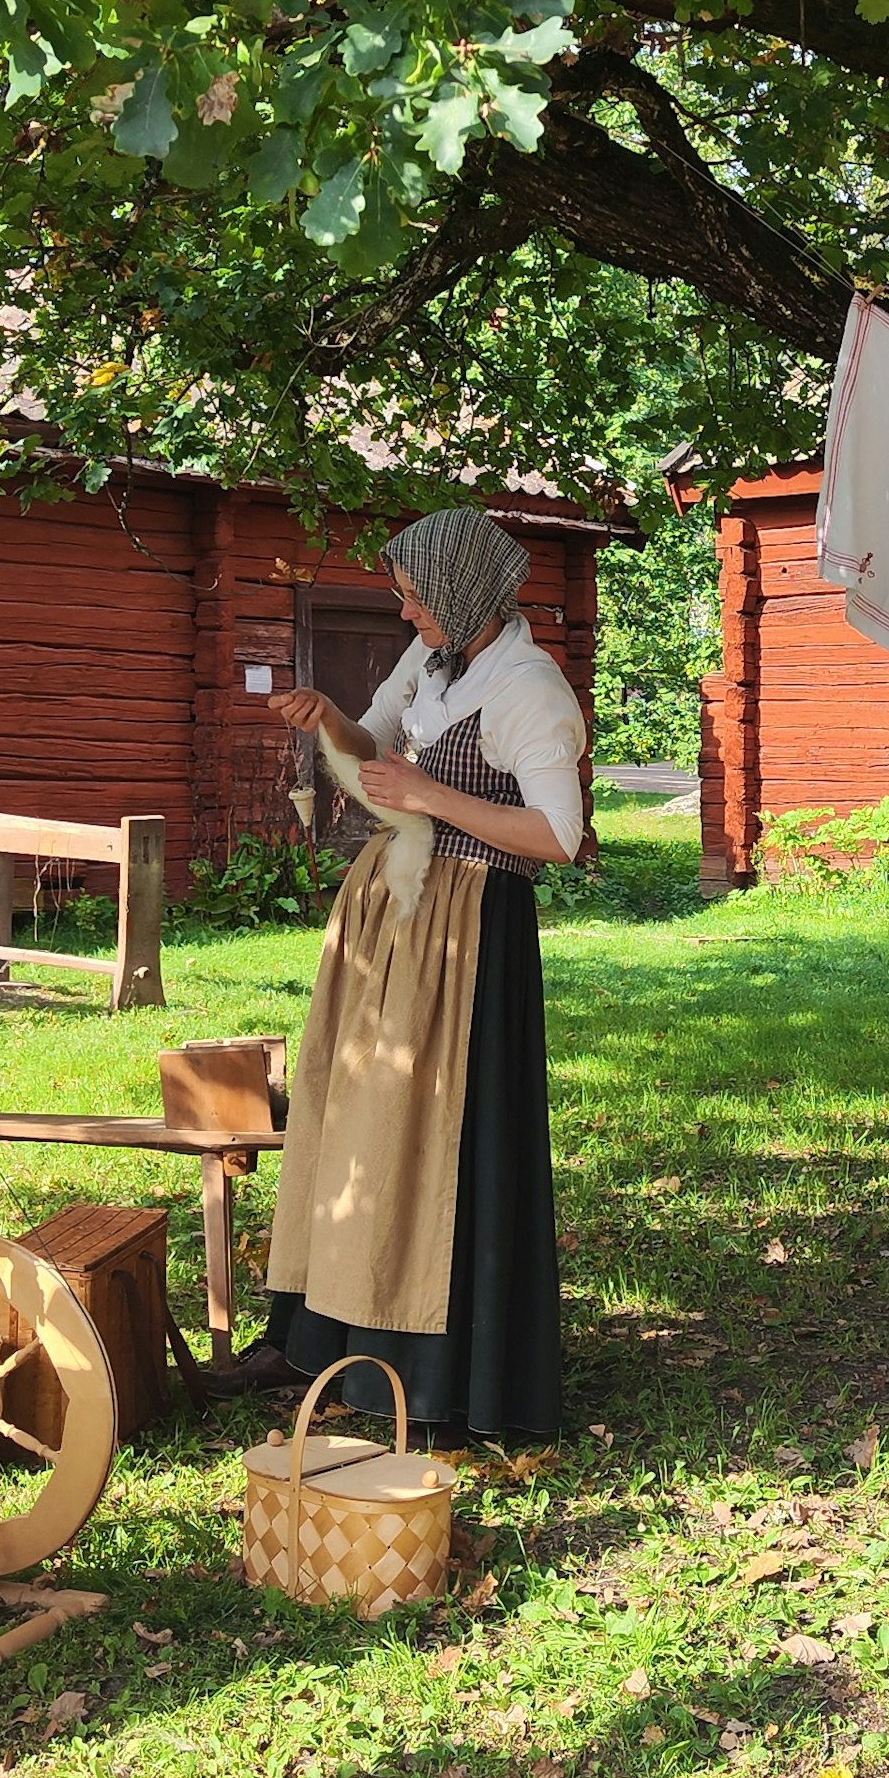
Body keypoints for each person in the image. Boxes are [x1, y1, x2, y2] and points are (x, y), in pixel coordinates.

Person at [250, 509, 583, 1443]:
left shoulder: (530, 692)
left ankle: (442, 1371)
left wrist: (430, 794)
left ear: (466, 594)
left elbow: (558, 838)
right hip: (398, 917)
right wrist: (333, 723)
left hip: (472, 931)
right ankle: (332, 1333)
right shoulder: (433, 666)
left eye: (415, 596)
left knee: (439, 1137)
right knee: (362, 1115)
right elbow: (373, 745)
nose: (403, 613)